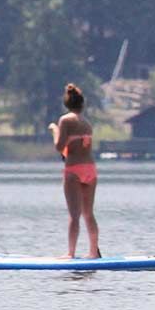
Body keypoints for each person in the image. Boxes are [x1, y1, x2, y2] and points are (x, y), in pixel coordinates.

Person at [50, 84, 99, 259]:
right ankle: (94, 252)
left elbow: (59, 146)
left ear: (67, 104)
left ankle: (70, 253)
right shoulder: (87, 123)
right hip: (90, 169)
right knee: (88, 213)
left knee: (74, 215)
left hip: (74, 169)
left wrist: (54, 130)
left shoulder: (65, 120)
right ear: (82, 104)